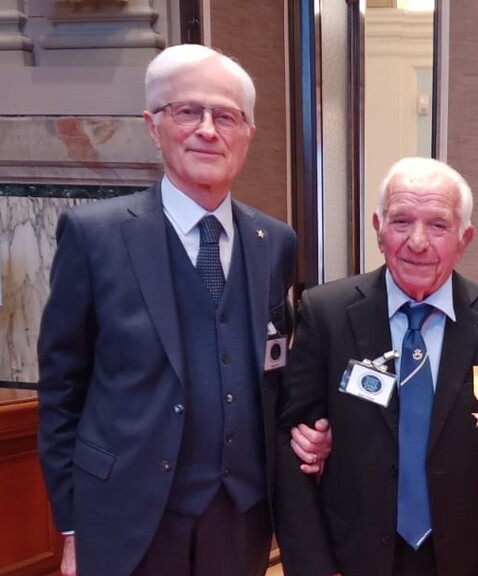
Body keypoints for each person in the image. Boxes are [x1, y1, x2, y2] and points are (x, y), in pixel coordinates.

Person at [36, 44, 329, 576]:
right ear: (153, 126)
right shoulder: (95, 236)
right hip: (126, 515)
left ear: (248, 133)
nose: (207, 131)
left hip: (240, 515)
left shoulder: (275, 242)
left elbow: (274, 369)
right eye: (188, 111)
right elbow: (62, 390)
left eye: (226, 116)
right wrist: (74, 526)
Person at [273, 157, 478, 576]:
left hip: (466, 562)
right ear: (378, 228)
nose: (417, 242)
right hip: (352, 558)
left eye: (438, 225)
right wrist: (315, 567)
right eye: (401, 221)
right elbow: (294, 451)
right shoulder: (326, 314)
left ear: (464, 238)